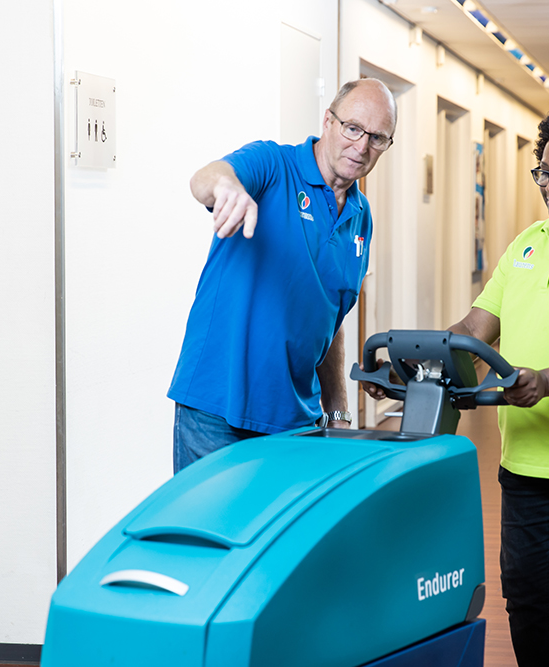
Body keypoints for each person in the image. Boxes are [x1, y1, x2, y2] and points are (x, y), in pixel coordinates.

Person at [367, 100, 549, 666]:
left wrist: (546, 382)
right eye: (544, 172)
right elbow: (472, 331)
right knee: (528, 599)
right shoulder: (528, 243)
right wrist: (407, 370)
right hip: (527, 456)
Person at [168, 78, 397, 473]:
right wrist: (227, 188)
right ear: (328, 121)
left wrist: (338, 412)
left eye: (377, 138)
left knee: (291, 518)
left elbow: (328, 319)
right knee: (214, 517)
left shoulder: (361, 217)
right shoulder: (274, 165)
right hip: (217, 410)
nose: (362, 147)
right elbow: (205, 178)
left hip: (295, 421)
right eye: (353, 128)